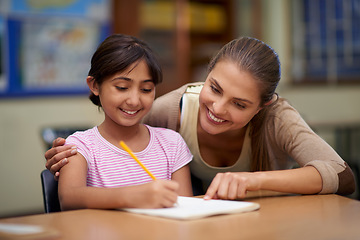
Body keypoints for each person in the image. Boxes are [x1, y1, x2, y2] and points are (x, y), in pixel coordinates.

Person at [46, 36, 355, 200]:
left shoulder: (277, 117)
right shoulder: (169, 110)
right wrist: (66, 152)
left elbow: (342, 176)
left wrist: (251, 180)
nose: (219, 108)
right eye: (215, 88)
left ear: (262, 106)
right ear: (205, 76)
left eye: (239, 104)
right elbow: (116, 126)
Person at [56, 34, 193, 211]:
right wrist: (133, 196)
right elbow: (69, 198)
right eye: (122, 87)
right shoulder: (80, 146)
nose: (134, 100)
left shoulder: (172, 144)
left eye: (146, 89)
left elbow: (187, 209)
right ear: (95, 85)